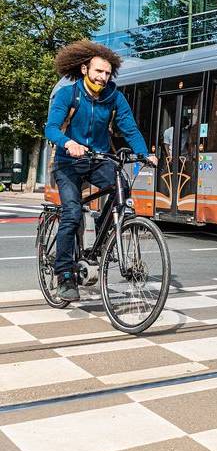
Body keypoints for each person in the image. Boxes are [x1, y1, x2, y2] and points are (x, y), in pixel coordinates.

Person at [44, 40, 157, 302]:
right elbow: (51, 128)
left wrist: (144, 153)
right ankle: (65, 276)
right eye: (98, 72)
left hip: (98, 158)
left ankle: (104, 227)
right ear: (85, 69)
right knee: (72, 213)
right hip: (68, 162)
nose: (103, 78)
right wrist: (68, 143)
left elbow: (129, 128)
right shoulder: (68, 95)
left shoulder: (114, 98)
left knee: (122, 183)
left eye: (107, 73)